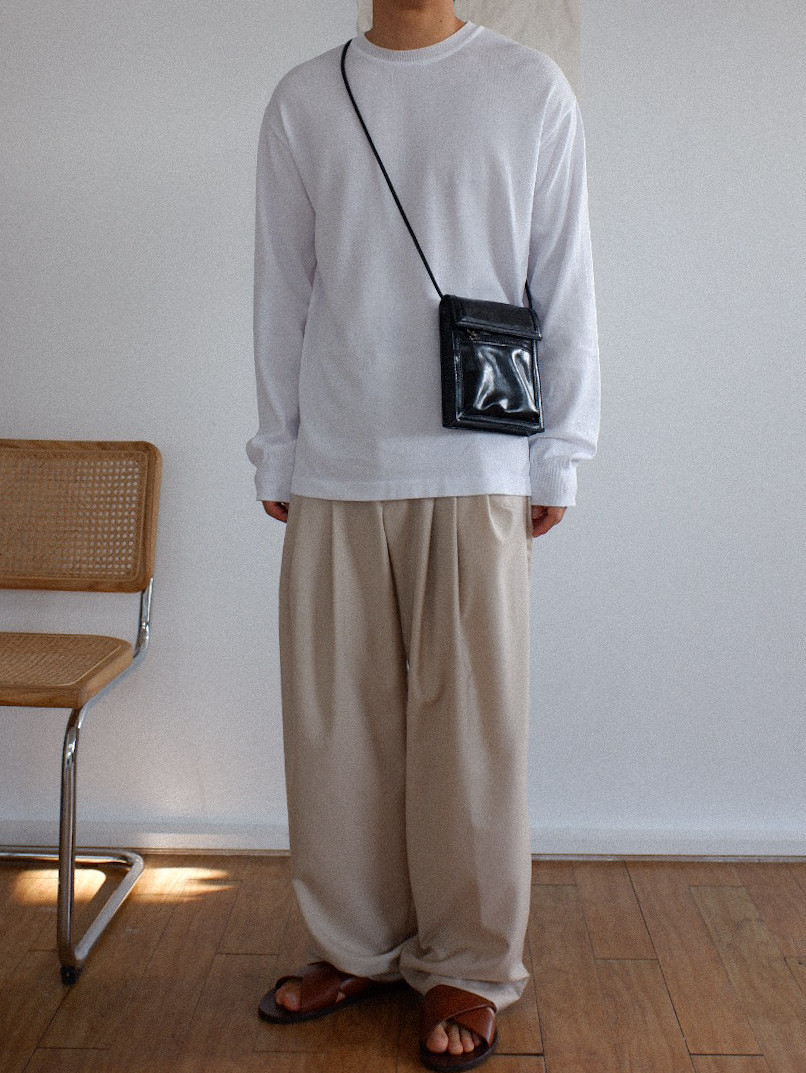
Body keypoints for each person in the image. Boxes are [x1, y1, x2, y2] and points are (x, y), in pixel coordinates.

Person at [246, 1, 599, 1068]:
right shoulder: (305, 97)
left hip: (476, 460)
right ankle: (355, 944)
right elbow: (283, 286)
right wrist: (278, 447)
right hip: (338, 459)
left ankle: (469, 963)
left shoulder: (528, 87)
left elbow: (563, 276)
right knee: (334, 727)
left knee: (473, 734)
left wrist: (560, 452)